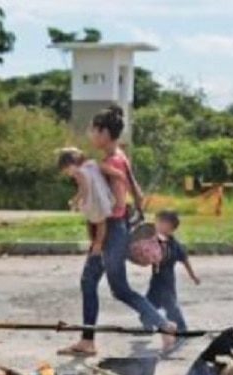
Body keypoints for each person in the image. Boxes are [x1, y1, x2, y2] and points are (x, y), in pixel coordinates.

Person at [58, 105, 177, 357]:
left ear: (103, 132)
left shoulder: (113, 161)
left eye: (93, 129)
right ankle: (88, 340)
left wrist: (98, 229)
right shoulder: (119, 156)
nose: (90, 134)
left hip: (110, 232)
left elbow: (119, 205)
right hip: (113, 232)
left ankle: (164, 325)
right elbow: (137, 193)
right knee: (91, 282)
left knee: (116, 288)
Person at [146, 210, 200, 333]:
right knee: (149, 303)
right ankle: (147, 322)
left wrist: (193, 276)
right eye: (157, 222)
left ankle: (181, 328)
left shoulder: (174, 245)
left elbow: (185, 259)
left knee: (171, 305)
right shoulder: (154, 242)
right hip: (155, 281)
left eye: (161, 223)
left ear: (170, 227)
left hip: (167, 281)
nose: (157, 225)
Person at [58, 147, 114, 254]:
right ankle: (98, 243)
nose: (68, 174)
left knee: (94, 221)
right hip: (101, 198)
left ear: (70, 165)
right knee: (101, 222)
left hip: (93, 201)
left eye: (67, 170)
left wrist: (74, 201)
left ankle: (96, 244)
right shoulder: (90, 166)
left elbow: (84, 189)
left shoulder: (79, 173)